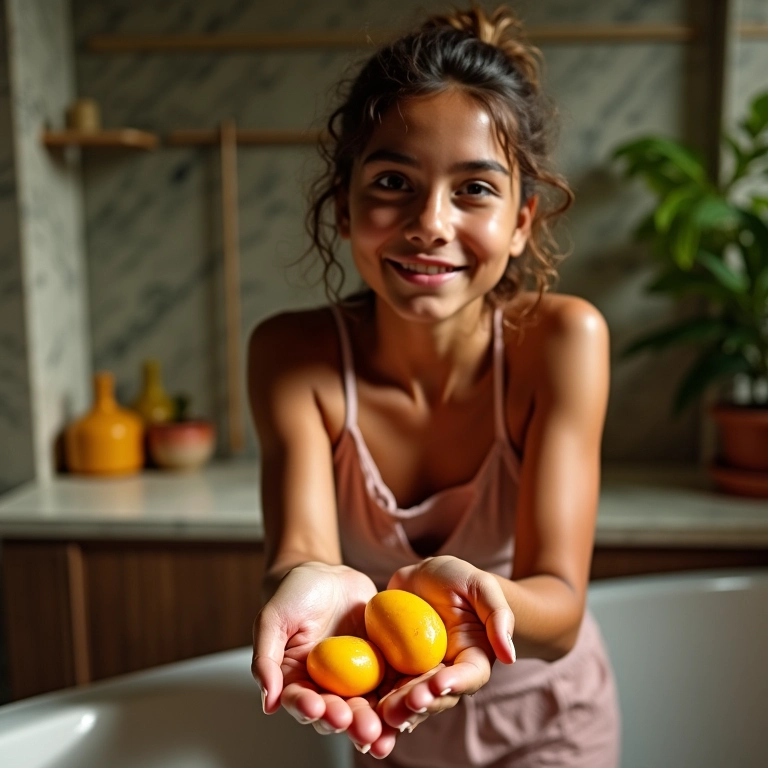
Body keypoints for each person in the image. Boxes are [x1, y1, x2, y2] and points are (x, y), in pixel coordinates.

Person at [248, 5, 620, 766]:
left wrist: (478, 598)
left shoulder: (562, 342)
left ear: (522, 222)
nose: (430, 223)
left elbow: (560, 609)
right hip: (385, 726)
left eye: (474, 189)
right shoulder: (292, 356)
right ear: (344, 206)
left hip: (549, 728)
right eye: (393, 182)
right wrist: (308, 584)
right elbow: (300, 550)